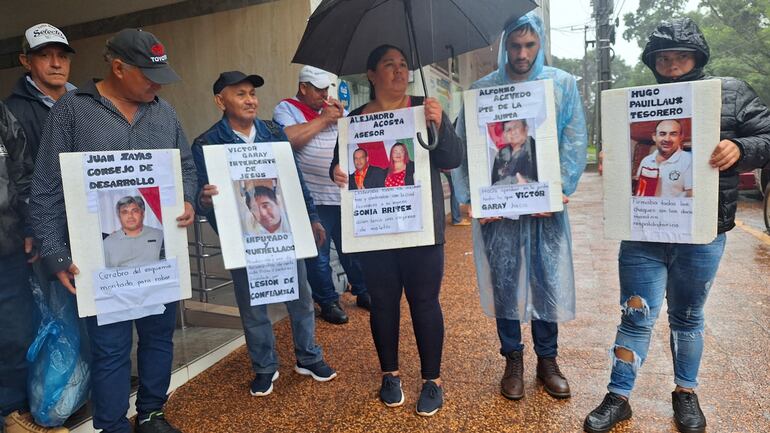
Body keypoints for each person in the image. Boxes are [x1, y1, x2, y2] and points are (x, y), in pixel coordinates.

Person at [584, 18, 770, 433]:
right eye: (663, 58)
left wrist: (740, 147)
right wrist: (611, 163)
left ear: (698, 57)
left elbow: (768, 135)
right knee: (635, 316)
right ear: (652, 61)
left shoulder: (731, 92)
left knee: (687, 316)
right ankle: (619, 395)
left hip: (701, 232)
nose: (671, 65)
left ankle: (686, 394)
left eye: (681, 56)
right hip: (642, 234)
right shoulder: (636, 101)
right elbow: (620, 163)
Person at [30, 28, 197, 433]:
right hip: (102, 261)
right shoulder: (72, 111)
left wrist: (188, 200)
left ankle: (153, 412)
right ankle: (112, 424)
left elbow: (186, 168)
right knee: (110, 348)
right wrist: (55, 254)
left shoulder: (164, 112)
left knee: (159, 338)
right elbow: (47, 188)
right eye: (147, 75)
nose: (157, 84)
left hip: (156, 255)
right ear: (118, 67)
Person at [452, 11, 587, 401]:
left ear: (540, 43)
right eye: (515, 45)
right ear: (504, 46)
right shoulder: (483, 90)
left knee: (546, 278)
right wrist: (472, 197)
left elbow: (574, 140)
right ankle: (512, 358)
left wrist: (561, 189)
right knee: (506, 281)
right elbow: (465, 149)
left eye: (529, 45)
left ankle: (548, 359)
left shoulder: (560, 85)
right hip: (499, 211)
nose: (522, 53)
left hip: (545, 210)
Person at [330, 44, 463, 416]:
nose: (399, 71)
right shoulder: (355, 120)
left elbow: (452, 159)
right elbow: (337, 167)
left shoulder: (425, 108)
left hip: (421, 228)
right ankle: (390, 374)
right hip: (376, 229)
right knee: (384, 303)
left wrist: (439, 124)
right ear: (371, 75)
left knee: (424, 301)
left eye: (404, 65)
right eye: (389, 65)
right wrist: (336, 172)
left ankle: (432, 380)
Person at [192, 70, 337, 399]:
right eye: (240, 93)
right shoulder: (207, 144)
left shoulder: (273, 132)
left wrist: (311, 218)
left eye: (252, 94)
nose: (250, 100)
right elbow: (205, 199)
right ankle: (264, 368)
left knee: (300, 298)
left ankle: (309, 358)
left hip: (284, 233)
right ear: (220, 101)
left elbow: (295, 181)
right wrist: (203, 201)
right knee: (253, 306)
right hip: (244, 239)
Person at [273, 65, 370, 324]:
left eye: (326, 89)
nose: (323, 95)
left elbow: (356, 141)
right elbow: (287, 140)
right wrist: (325, 119)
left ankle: (363, 291)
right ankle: (327, 301)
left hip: (343, 193)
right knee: (320, 253)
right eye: (317, 90)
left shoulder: (336, 110)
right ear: (303, 88)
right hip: (314, 197)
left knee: (354, 249)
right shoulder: (287, 108)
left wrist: (343, 119)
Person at [5, 23, 76, 162]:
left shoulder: (89, 103)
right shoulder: (8, 113)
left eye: (62, 56)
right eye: (44, 55)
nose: (56, 63)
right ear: (26, 61)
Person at [634, 119, 693, 197]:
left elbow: (692, 195)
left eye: (673, 134)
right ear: (654, 137)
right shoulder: (646, 160)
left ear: (680, 137)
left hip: (674, 209)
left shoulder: (689, 160)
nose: (667, 139)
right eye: (662, 134)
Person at [103, 195, 164, 268]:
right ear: (119, 216)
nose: (130, 216)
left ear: (142, 214)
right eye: (125, 212)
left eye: (135, 211)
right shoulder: (107, 243)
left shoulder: (160, 236)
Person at [490, 119, 538, 185]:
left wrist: (528, 185)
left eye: (516, 127)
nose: (512, 132)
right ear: (504, 134)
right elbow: (493, 183)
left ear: (526, 128)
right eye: (508, 130)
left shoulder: (536, 149)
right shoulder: (500, 155)